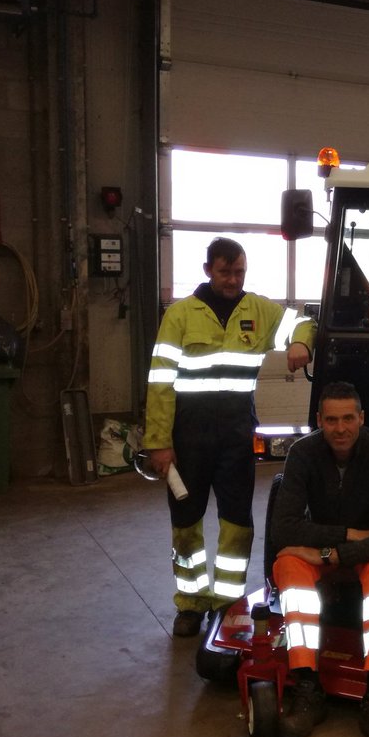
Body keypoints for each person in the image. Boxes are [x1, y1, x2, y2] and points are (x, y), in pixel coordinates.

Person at [144, 237, 314, 638]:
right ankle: (189, 604)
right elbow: (160, 381)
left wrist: (302, 341)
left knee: (237, 521)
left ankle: (227, 602)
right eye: (225, 272)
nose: (233, 280)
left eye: (239, 272)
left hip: (237, 435)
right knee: (186, 522)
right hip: (188, 437)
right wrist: (158, 442)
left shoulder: (258, 309)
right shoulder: (181, 315)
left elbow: (303, 321)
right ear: (208, 270)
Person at [270, 381, 369, 737]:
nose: (341, 428)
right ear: (319, 420)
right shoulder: (302, 453)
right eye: (331, 420)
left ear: (361, 418)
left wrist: (333, 553)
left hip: (353, 557)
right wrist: (349, 534)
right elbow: (283, 529)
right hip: (331, 550)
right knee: (288, 564)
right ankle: (307, 687)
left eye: (348, 418)